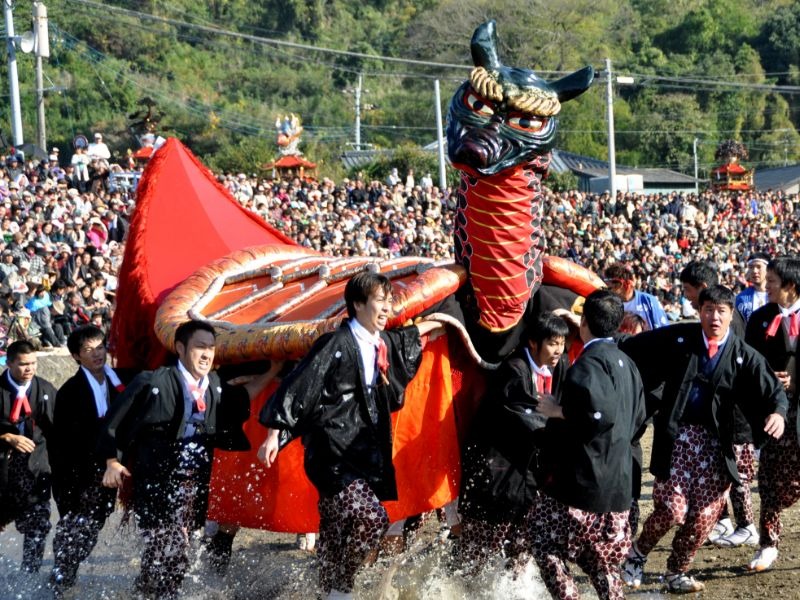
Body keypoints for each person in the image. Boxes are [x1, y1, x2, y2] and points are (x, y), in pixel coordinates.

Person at [257, 271, 444, 600]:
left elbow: (405, 341)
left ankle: (325, 589)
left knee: (334, 529)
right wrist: (275, 432)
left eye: (388, 301)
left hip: (361, 452)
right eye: (379, 301)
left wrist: (439, 324)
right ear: (358, 304)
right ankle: (342, 589)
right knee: (372, 519)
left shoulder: (378, 343)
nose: (386, 308)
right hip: (331, 453)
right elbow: (300, 386)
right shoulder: (337, 342)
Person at [620, 285, 787, 593]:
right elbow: (634, 346)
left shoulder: (741, 353)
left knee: (706, 514)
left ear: (731, 314)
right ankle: (636, 555)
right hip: (678, 435)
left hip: (716, 442)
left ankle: (677, 571)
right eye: (709, 310)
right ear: (700, 311)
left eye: (721, 311)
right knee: (671, 508)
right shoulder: (680, 337)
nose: (714, 317)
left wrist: (777, 412)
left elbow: (772, 389)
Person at [100, 320, 280, 599]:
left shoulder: (215, 387)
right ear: (181, 348)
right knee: (173, 552)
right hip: (155, 483)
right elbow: (113, 424)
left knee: (168, 552)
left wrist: (273, 371)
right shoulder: (152, 381)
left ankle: (146, 591)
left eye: (211, 347)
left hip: (192, 485)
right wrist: (112, 461)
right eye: (200, 347)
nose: (207, 354)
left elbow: (242, 399)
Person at [529, 290, 646, 600]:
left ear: (583, 323)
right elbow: (639, 418)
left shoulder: (589, 363)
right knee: (603, 563)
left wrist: (559, 410)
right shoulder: (627, 362)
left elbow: (597, 415)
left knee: (541, 538)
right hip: (619, 485)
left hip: (584, 485)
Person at [455, 312, 569, 576]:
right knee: (481, 544)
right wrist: (564, 421)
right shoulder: (514, 369)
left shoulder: (561, 365)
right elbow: (529, 417)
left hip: (529, 469)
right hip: (496, 467)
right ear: (533, 342)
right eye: (552, 343)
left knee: (524, 540)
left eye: (562, 343)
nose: (558, 350)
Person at [48, 325, 131, 595]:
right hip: (78, 474)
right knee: (75, 527)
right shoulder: (70, 392)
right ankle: (61, 579)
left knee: (94, 524)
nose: (97, 354)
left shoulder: (119, 380)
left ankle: (65, 572)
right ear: (75, 356)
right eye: (88, 350)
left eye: (100, 347)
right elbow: (60, 444)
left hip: (108, 471)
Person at [744, 256, 800, 572]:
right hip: (773, 412)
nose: (767, 285)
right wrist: (769, 380)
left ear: (790, 286)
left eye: (774, 281)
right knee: (768, 480)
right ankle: (768, 543)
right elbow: (749, 362)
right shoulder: (760, 318)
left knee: (792, 481)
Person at [0, 340, 57, 573]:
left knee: (38, 521)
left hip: (35, 465)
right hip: (2, 466)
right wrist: (5, 436)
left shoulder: (44, 389)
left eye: (33, 363)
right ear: (9, 362)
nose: (29, 369)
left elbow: (59, 429)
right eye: (23, 364)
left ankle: (29, 574)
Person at [603, 263, 669, 330]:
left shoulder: (649, 301)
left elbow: (663, 329)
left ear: (627, 283)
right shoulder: (609, 303)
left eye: (613, 285)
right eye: (608, 285)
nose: (609, 288)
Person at [735, 251, 770, 323]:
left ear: (768, 269)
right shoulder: (741, 298)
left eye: (758, 267)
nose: (754, 271)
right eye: (751, 267)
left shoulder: (777, 296)